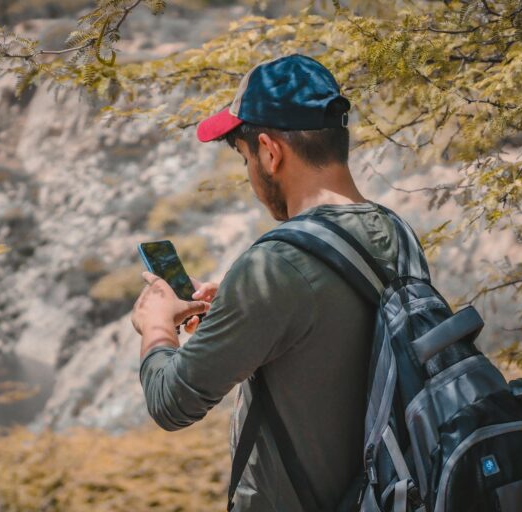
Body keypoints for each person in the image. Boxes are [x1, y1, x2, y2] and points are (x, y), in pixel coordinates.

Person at [131, 54, 405, 511]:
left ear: (270, 152)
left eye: (245, 160)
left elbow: (170, 402)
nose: (250, 176)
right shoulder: (396, 232)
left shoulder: (276, 266)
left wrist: (157, 327)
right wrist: (244, 311)